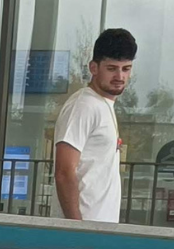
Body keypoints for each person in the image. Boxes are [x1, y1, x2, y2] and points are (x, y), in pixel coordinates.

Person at [53, 28, 137, 223]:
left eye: (126, 69)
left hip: (99, 228)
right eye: (111, 68)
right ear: (93, 68)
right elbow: (64, 172)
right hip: (83, 230)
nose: (119, 76)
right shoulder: (83, 106)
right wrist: (78, 229)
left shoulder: (102, 105)